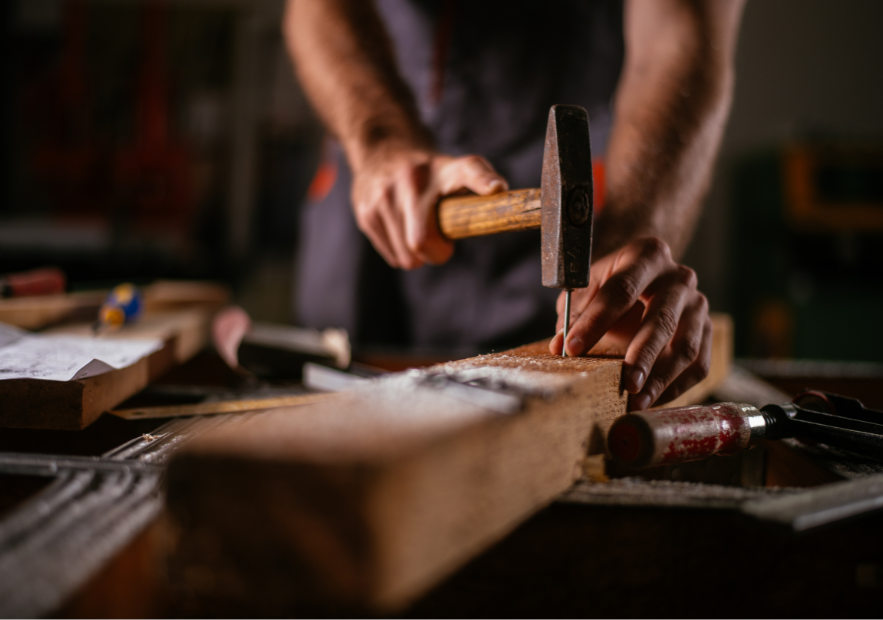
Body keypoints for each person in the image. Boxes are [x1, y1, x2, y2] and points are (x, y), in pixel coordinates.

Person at [284, 0, 744, 411]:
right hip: (380, 196)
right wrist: (378, 137)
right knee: (335, 403)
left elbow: (680, 41)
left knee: (549, 404)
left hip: (593, 225)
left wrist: (628, 251)